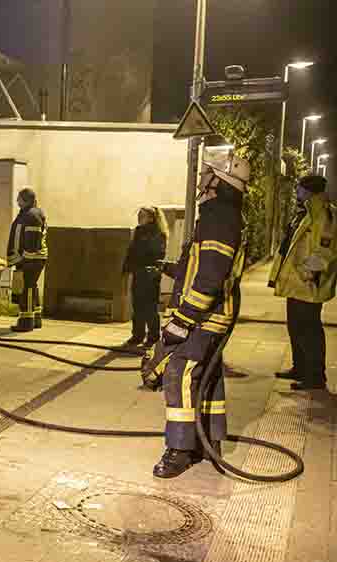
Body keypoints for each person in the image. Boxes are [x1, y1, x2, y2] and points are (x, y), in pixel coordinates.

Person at [144, 148, 249, 479]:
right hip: (213, 314)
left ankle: (180, 450)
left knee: (180, 374)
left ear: (218, 180)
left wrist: (183, 320)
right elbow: (202, 269)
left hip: (203, 316)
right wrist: (171, 269)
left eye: (206, 173)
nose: (201, 179)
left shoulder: (219, 217)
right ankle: (209, 441)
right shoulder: (225, 215)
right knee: (207, 377)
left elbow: (210, 277)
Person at [269, 175, 335, 392]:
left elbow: (325, 249)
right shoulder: (306, 212)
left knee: (309, 330)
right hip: (297, 283)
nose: (296, 191)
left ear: (309, 191)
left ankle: (315, 377)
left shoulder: (323, 214)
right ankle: (300, 368)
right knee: (296, 327)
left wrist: (309, 273)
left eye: (299, 188)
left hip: (308, 284)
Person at [122, 207, 169, 347]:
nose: (139, 218)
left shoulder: (158, 233)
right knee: (137, 306)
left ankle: (153, 337)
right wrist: (127, 267)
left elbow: (157, 254)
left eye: (142, 215)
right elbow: (131, 251)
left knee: (150, 307)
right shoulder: (139, 231)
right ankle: (137, 335)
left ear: (151, 218)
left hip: (150, 274)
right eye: (139, 215)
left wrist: (147, 266)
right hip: (138, 272)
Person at [6, 187, 48, 332]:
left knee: (27, 288)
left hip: (31, 259)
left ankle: (26, 321)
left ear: (26, 200)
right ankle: (36, 319)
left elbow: (32, 241)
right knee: (31, 286)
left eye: (19, 198)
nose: (17, 200)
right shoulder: (29, 213)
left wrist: (24, 258)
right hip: (31, 258)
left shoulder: (31, 215)